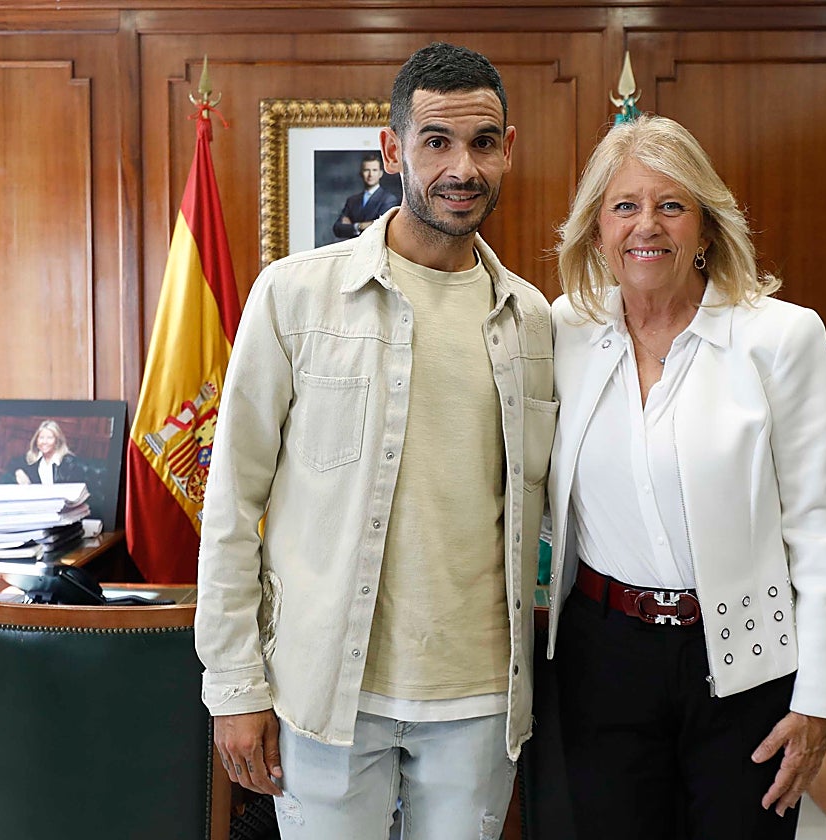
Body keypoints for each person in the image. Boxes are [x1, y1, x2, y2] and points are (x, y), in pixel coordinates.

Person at [196, 42, 557, 839]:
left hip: (478, 699)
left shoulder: (532, 319)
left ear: (507, 151)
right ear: (392, 150)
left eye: (483, 143)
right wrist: (234, 686)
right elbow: (231, 504)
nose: (463, 166)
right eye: (437, 141)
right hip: (326, 690)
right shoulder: (293, 296)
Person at [546, 114, 826, 839]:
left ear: (707, 227)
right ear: (597, 231)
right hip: (603, 657)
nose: (645, 225)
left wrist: (819, 699)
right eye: (624, 206)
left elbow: (820, 526)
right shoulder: (561, 330)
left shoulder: (780, 337)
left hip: (746, 658)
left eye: (671, 205)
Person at [332, 152, 400, 239]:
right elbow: (337, 228)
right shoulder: (352, 200)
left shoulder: (389, 199)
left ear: (380, 173)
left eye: (374, 170)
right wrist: (360, 226)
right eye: (366, 170)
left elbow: (381, 228)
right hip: (354, 249)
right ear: (361, 173)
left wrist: (351, 226)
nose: (370, 175)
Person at [13, 420, 84, 485]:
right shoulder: (31, 458)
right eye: (41, 438)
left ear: (57, 441)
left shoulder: (69, 462)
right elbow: (12, 465)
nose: (44, 442)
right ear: (36, 441)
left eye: (49, 438)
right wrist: (18, 472)